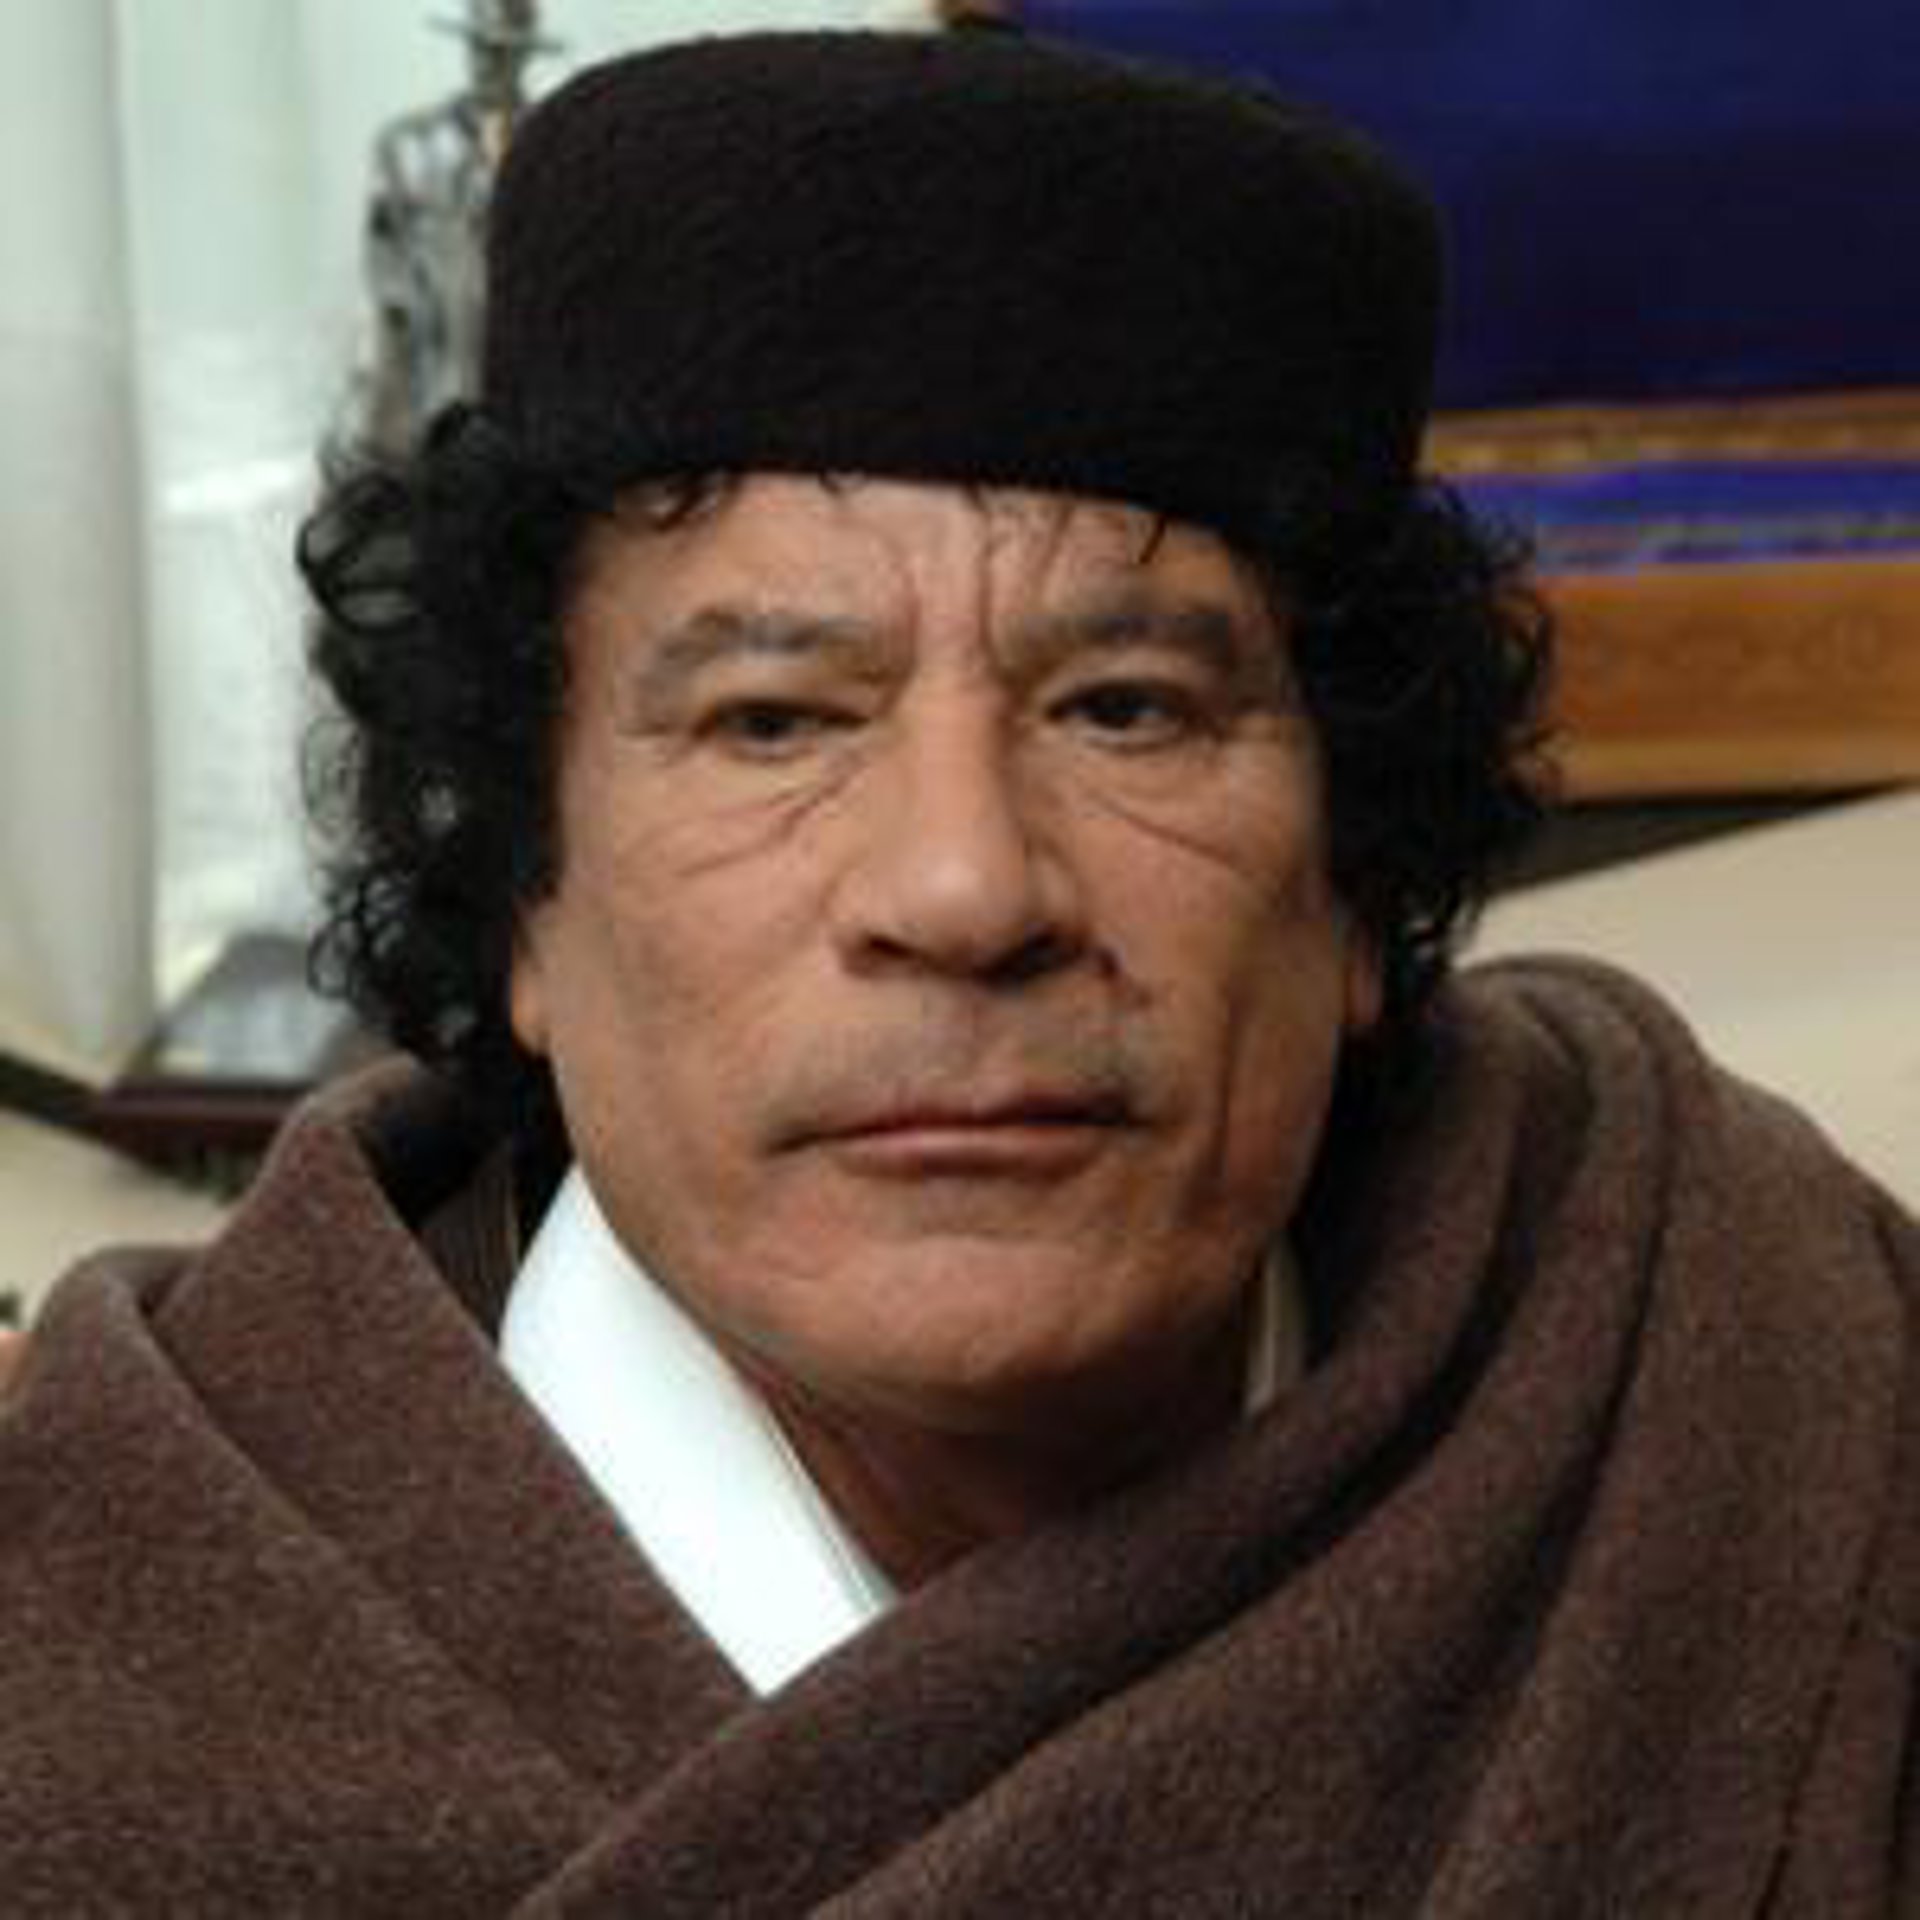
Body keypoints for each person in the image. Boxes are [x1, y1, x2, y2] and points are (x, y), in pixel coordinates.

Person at [2, 25, 1913, 1915]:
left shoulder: (1763, 1384)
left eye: (1128, 708)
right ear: (522, 892)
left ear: (1353, 884)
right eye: (772, 724)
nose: (967, 887)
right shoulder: (87, 1662)